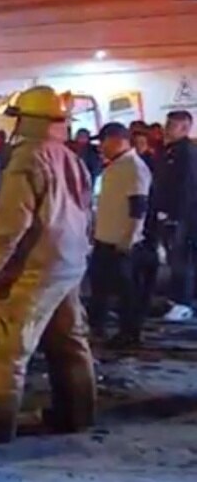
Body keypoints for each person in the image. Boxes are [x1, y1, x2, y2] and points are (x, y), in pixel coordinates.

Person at [0, 85, 95, 443]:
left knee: (7, 348)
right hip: (70, 262)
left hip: (35, 267)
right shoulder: (69, 156)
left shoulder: (27, 158)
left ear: (26, 120)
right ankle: (77, 414)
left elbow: (13, 221)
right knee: (70, 342)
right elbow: (86, 211)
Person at [90, 123, 152, 347]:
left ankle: (129, 333)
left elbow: (139, 206)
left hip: (121, 243)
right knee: (100, 286)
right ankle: (96, 325)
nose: (100, 147)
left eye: (103, 142)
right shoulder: (116, 166)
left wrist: (129, 238)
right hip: (105, 237)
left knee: (126, 292)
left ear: (117, 140)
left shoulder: (133, 167)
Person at [151, 110, 197, 322]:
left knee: (182, 259)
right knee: (173, 258)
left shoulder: (186, 153)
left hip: (184, 217)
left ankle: (183, 302)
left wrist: (175, 215)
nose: (167, 129)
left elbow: (186, 188)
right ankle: (175, 298)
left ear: (185, 128)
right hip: (171, 215)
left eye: (172, 125)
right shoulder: (169, 151)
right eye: (167, 124)